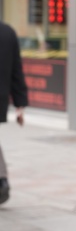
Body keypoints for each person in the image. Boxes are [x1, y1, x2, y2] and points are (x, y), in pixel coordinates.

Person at [0, 21, 28, 205]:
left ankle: (2, 180)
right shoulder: (7, 32)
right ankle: (2, 179)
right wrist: (20, 104)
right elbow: (17, 69)